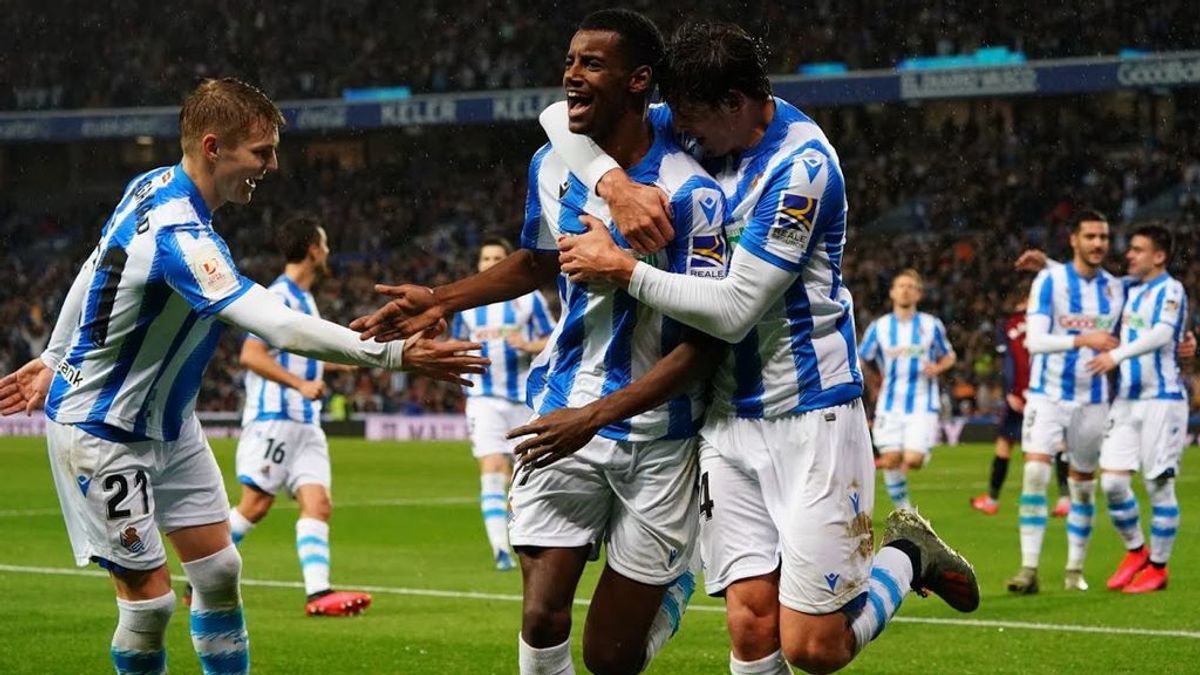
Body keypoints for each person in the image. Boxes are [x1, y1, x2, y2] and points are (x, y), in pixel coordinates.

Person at [0, 78, 486, 675]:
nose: (273, 165)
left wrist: (53, 354)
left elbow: (92, 264)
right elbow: (277, 329)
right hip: (103, 430)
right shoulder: (181, 236)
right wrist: (394, 355)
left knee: (221, 569)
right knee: (150, 606)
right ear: (212, 147)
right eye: (261, 152)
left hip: (171, 425)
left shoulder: (150, 185)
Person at [538, 20, 979, 675]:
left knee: (813, 649)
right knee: (749, 623)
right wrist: (614, 184)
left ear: (736, 105)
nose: (681, 136)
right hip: (724, 417)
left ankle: (907, 551)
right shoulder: (697, 122)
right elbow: (555, 116)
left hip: (811, 412)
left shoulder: (800, 168)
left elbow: (735, 310)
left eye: (692, 122)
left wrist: (622, 268)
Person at [352, 10, 728, 674]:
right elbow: (535, 262)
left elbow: (705, 343)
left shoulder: (691, 194)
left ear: (640, 81)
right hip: (561, 406)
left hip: (657, 434)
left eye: (591, 64)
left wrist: (596, 417)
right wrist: (441, 297)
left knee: (611, 658)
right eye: (569, 61)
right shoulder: (552, 165)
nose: (570, 76)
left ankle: (672, 582)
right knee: (540, 614)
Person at [222, 214, 372, 616]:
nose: (328, 253)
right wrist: (300, 385)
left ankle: (318, 593)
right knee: (254, 505)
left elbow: (302, 352)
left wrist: (339, 363)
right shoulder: (276, 297)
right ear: (311, 249)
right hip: (275, 416)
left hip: (305, 422)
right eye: (324, 245)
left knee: (318, 504)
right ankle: (203, 576)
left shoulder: (305, 300)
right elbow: (250, 355)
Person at [1003, 210, 1124, 595]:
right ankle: (1028, 568)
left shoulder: (1115, 288)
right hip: (1047, 395)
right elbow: (1035, 342)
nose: (1098, 244)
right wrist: (1081, 340)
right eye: (1090, 236)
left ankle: (1074, 569)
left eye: (1103, 237)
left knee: (1084, 486)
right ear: (1074, 239)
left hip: (1093, 400)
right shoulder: (1048, 282)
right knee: (1036, 473)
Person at [1088, 225, 1189, 593]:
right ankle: (1136, 551)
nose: (1129, 255)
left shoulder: (1172, 289)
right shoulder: (1129, 290)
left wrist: (1116, 354)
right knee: (1113, 483)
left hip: (1161, 400)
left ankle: (1158, 568)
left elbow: (1163, 334)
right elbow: (1094, 280)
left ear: (1159, 256)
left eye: (1137, 250)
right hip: (1127, 400)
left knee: (1157, 485)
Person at [449, 238, 554, 570]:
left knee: (525, 474)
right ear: (478, 264)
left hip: (524, 398)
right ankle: (499, 548)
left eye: (498, 257)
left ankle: (524, 535)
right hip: (483, 399)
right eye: (485, 257)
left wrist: (527, 344)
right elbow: (455, 342)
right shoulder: (467, 305)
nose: (491, 262)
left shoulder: (528, 300)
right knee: (493, 468)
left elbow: (554, 338)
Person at [859, 269, 956, 511]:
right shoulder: (879, 327)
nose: (905, 290)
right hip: (889, 403)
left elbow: (950, 356)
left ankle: (920, 454)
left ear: (919, 294)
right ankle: (906, 511)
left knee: (914, 459)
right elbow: (861, 359)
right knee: (891, 459)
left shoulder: (931, 325)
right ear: (892, 292)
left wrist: (937, 367)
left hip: (923, 403)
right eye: (900, 285)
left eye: (911, 286)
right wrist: (871, 383)